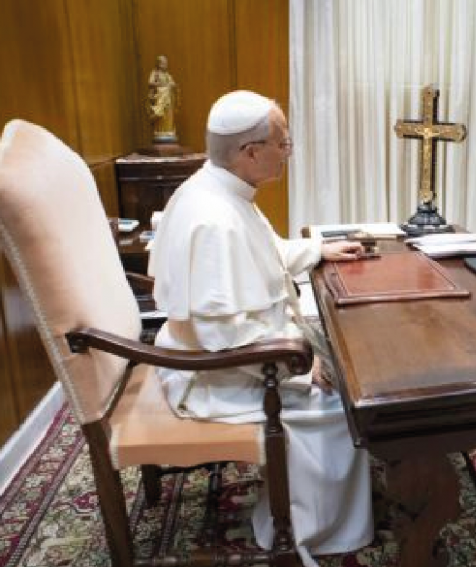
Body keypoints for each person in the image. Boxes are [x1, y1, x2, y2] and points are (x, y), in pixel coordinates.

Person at [148, 90, 373, 566]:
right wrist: (299, 369)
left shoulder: (221, 189)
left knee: (337, 364)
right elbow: (223, 337)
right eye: (283, 143)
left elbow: (266, 252)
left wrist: (318, 251)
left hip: (229, 358)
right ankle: (311, 530)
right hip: (212, 376)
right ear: (251, 152)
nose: (288, 152)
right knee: (340, 404)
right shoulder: (214, 219)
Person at [147, 55, 178, 142]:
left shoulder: (167, 75)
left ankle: (168, 130)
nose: (165, 65)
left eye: (166, 63)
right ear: (159, 64)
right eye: (163, 63)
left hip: (168, 98)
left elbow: (173, 83)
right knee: (160, 115)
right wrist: (162, 85)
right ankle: (160, 131)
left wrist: (172, 85)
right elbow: (150, 83)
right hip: (160, 98)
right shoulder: (155, 73)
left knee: (168, 114)